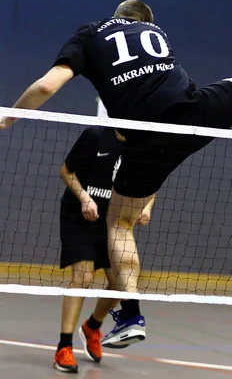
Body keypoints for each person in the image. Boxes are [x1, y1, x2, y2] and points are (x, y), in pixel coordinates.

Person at [0, 0, 232, 348]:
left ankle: (130, 315)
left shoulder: (89, 33)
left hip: (145, 141)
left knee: (119, 225)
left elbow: (48, 85)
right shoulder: (156, 33)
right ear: (147, 23)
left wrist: (11, 114)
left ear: (117, 16)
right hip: (192, 119)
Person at [55, 125, 155, 373]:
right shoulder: (95, 136)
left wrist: (147, 207)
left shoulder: (140, 145)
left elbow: (151, 184)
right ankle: (63, 347)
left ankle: (92, 326)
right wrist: (84, 198)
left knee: (120, 282)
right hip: (80, 214)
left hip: (113, 222)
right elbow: (66, 172)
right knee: (84, 277)